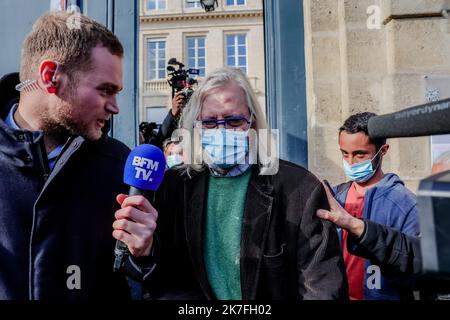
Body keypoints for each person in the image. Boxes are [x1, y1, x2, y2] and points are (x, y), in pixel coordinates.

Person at [147, 67, 348, 300]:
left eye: (233, 121)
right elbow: (163, 278)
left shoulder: (300, 189)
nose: (221, 130)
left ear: (252, 122)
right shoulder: (175, 187)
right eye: (210, 123)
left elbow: (322, 287)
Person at [0, 11, 157, 300]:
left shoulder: (121, 166)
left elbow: (146, 286)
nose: (115, 107)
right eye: (105, 90)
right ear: (50, 77)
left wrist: (143, 257)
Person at [334, 112, 419, 300]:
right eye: (344, 154)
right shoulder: (334, 197)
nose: (350, 162)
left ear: (383, 150)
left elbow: (416, 272)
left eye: (359, 154)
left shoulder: (406, 205)